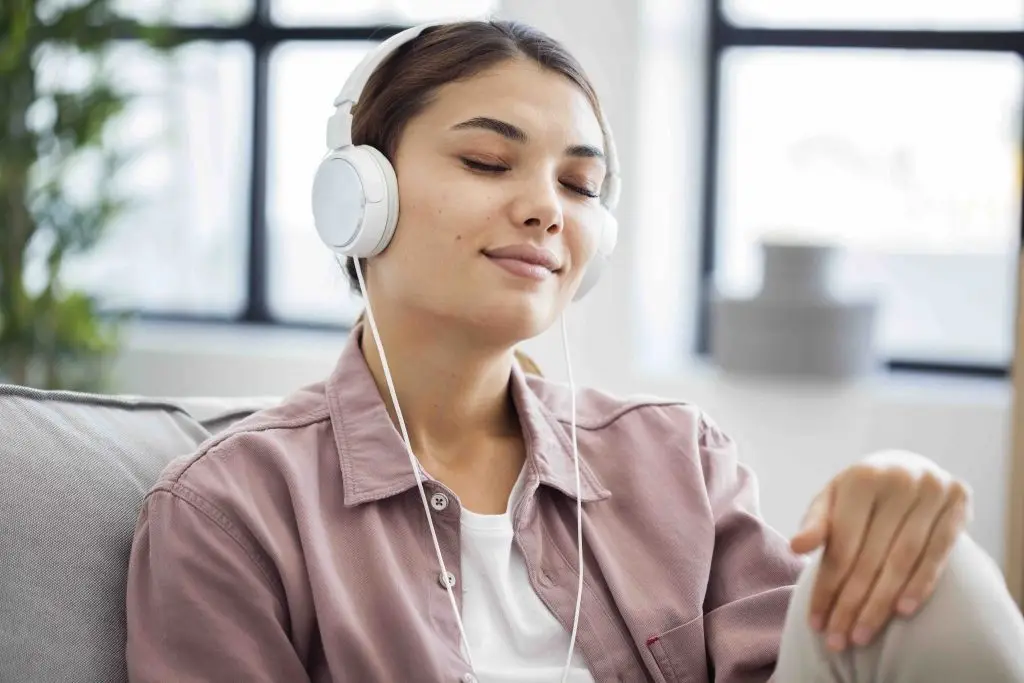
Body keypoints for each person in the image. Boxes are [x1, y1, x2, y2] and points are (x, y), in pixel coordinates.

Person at [125, 20, 1024, 683]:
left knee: (931, 567)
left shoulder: (679, 458)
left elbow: (815, 653)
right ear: (360, 195)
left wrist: (893, 493)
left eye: (580, 183)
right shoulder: (229, 512)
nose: (548, 208)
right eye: (487, 162)